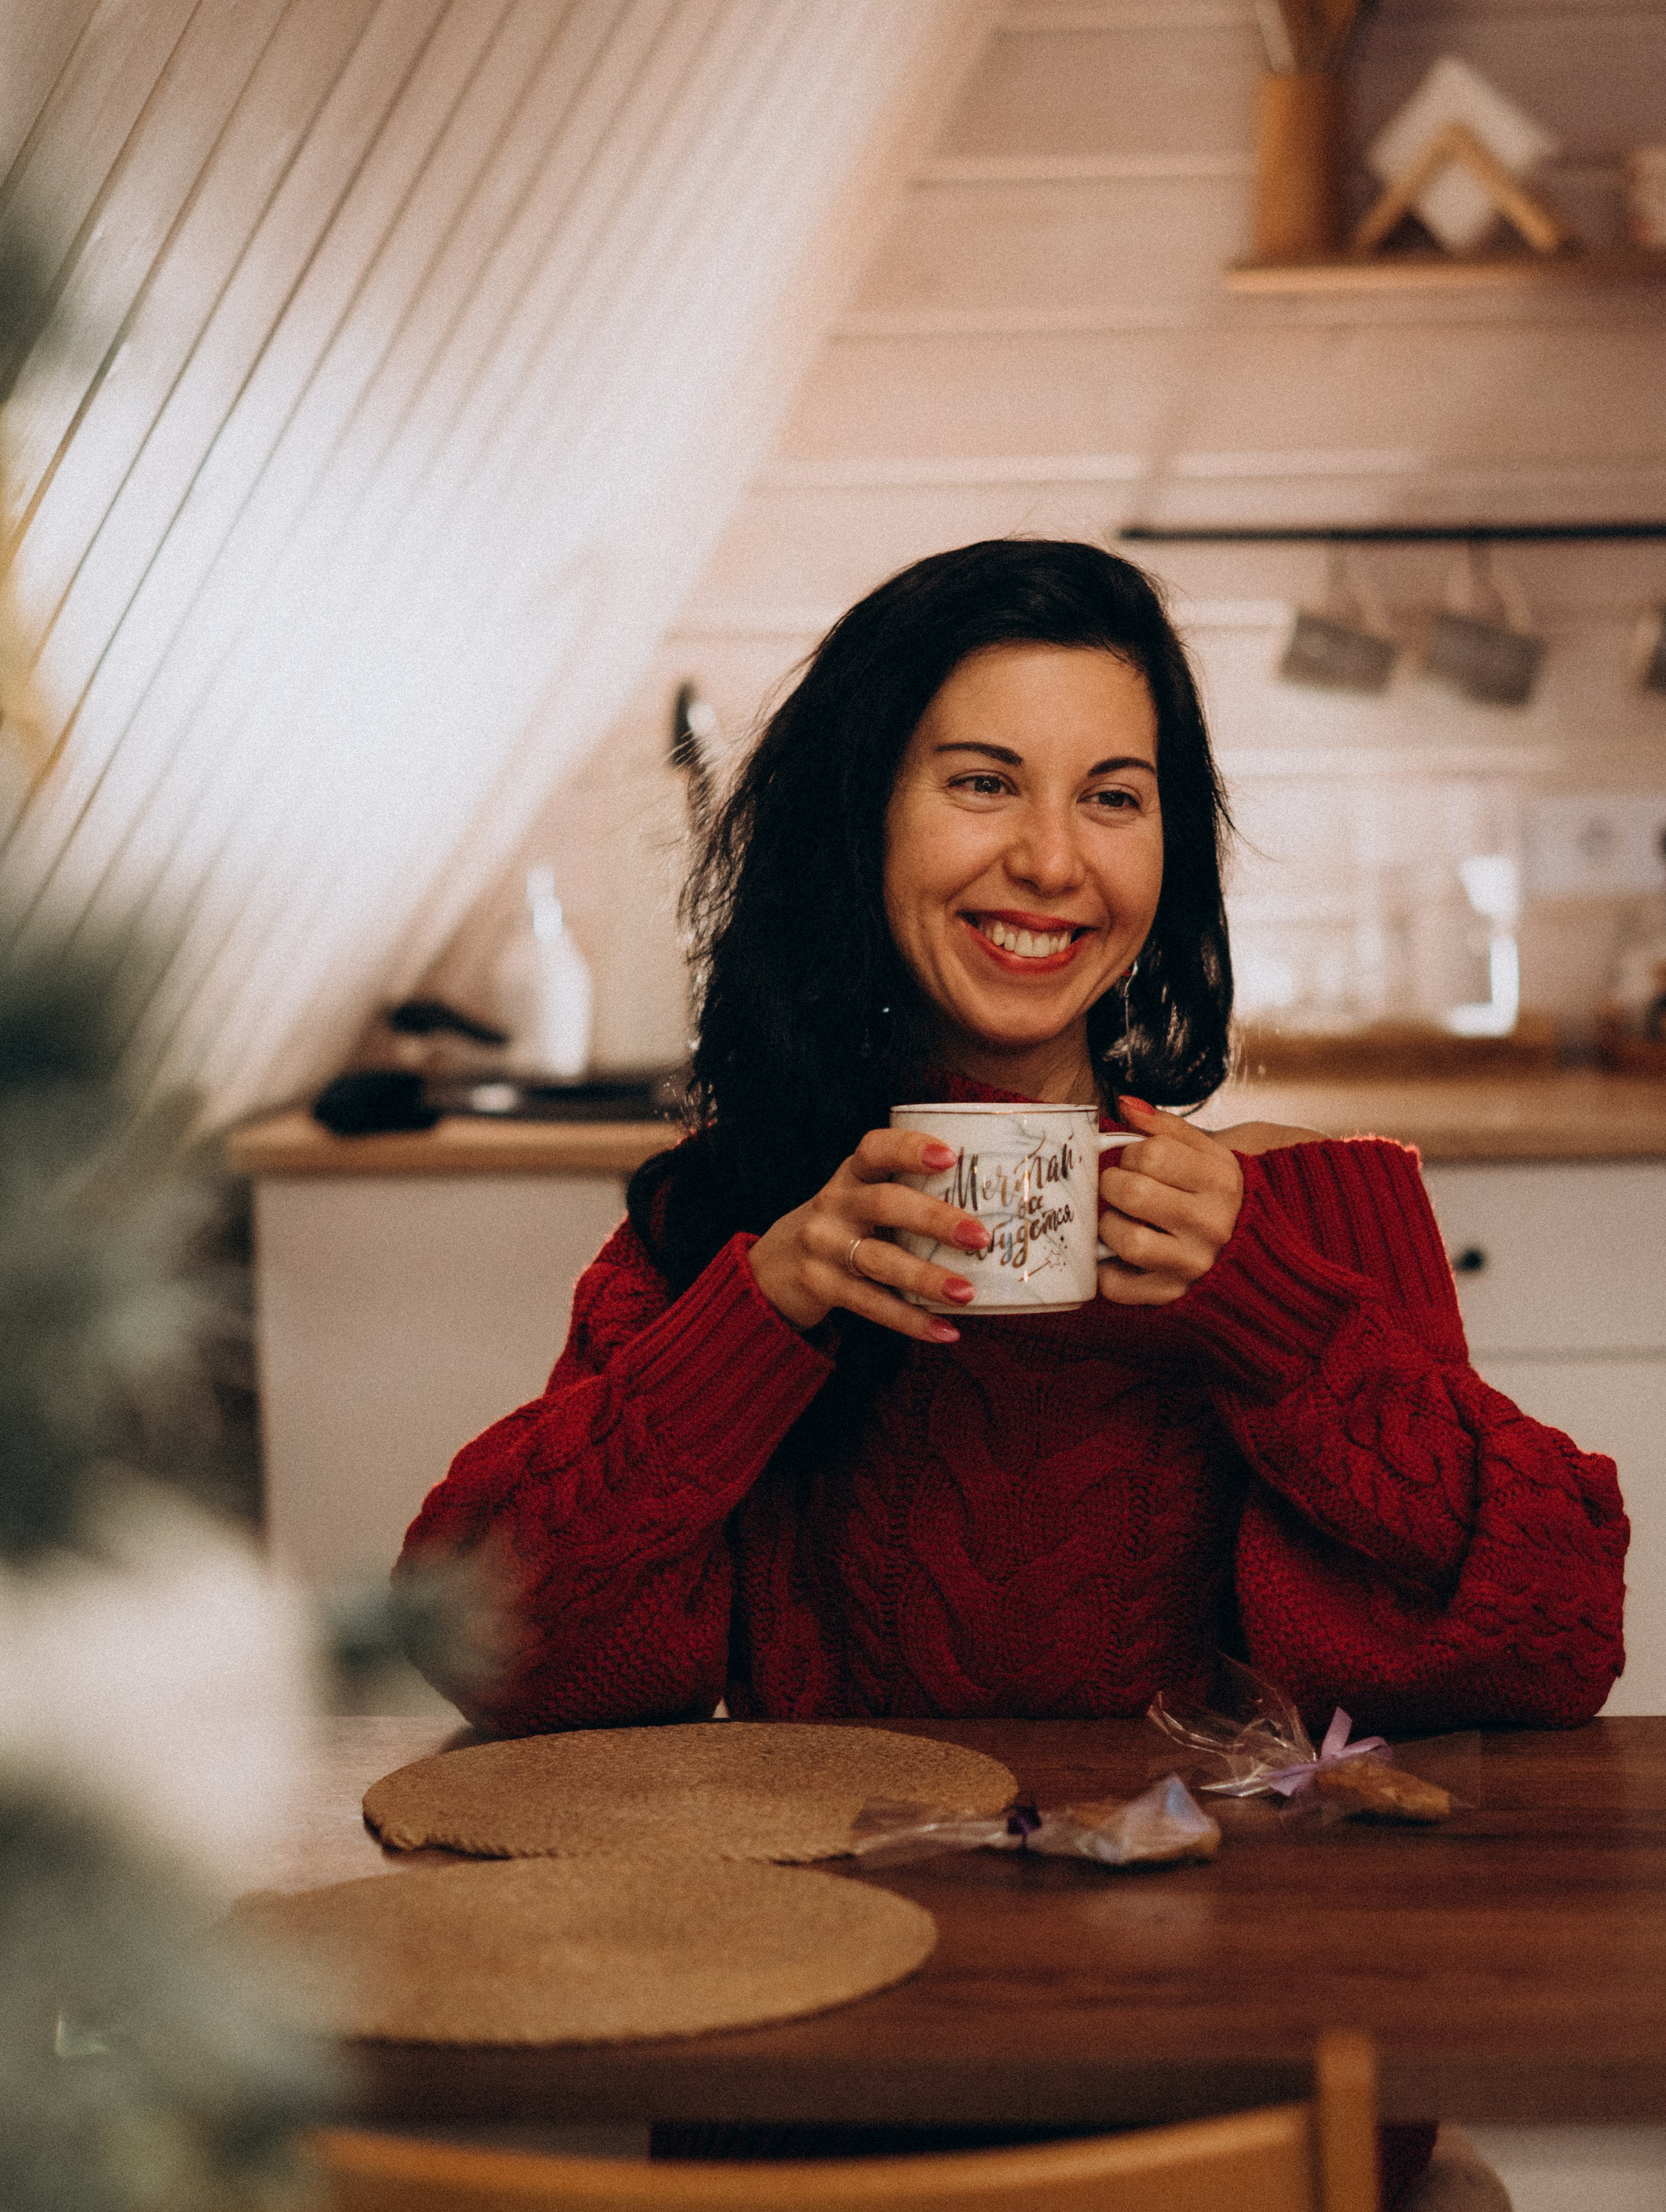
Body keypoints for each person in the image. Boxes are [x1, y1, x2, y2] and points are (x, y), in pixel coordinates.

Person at [402, 540, 1616, 2207]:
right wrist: (758, 1317)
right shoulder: (725, 1238)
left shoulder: (1309, 1214)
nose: (1049, 860)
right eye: (983, 782)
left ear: (1167, 854)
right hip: (820, 2079)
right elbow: (484, 1639)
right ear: (865, 821)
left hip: (1237, 2089)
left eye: (1112, 798)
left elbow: (1554, 1636)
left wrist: (1262, 1307)